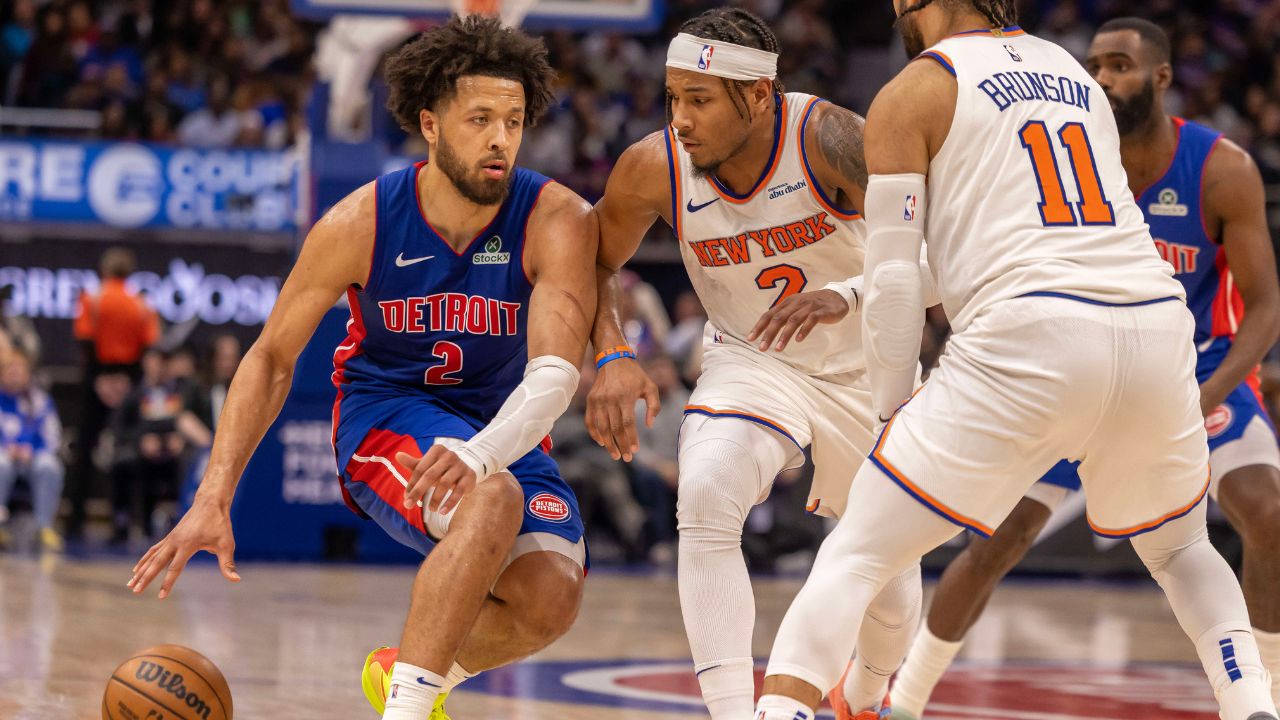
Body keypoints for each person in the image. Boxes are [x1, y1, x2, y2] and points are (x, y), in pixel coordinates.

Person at [755, 2, 1278, 719]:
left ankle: (784, 709)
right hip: (1154, 330)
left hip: (1029, 336)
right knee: (1182, 549)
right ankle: (1251, 700)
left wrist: (888, 410)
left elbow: (898, 277)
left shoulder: (915, 89)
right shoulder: (1069, 70)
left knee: (858, 550)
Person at [127, 16, 597, 720]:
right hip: (387, 417)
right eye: (479, 120)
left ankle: (402, 670)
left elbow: (557, 373)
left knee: (551, 596)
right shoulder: (361, 222)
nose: (501, 138)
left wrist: (487, 446)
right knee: (492, 498)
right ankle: (406, 710)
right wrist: (214, 493)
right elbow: (272, 358)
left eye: (514, 119)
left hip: (503, 426)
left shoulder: (553, 216)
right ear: (431, 125)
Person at [587, 8, 929, 718]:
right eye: (673, 97)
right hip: (754, 358)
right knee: (707, 491)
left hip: (868, 371)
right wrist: (614, 352)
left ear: (757, 96)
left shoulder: (832, 139)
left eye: (699, 100)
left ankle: (865, 697)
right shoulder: (654, 165)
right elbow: (589, 262)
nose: (680, 118)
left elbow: (939, 255)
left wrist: (847, 294)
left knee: (891, 598)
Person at [67, 247, 159, 540]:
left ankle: (75, 522)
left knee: (84, 452)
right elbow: (147, 346)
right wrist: (124, 383)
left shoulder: (91, 300)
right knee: (129, 450)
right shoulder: (142, 305)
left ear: (104, 270)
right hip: (129, 385)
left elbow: (86, 343)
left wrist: (101, 381)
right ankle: (130, 521)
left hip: (96, 383)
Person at [0, 349, 64, 551]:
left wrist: (32, 450)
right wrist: (6, 448)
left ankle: (43, 527)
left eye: (21, 370)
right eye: (12, 370)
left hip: (31, 458)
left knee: (49, 465)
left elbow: (53, 437)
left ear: (28, 374)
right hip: (4, 456)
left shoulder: (40, 401)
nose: (16, 375)